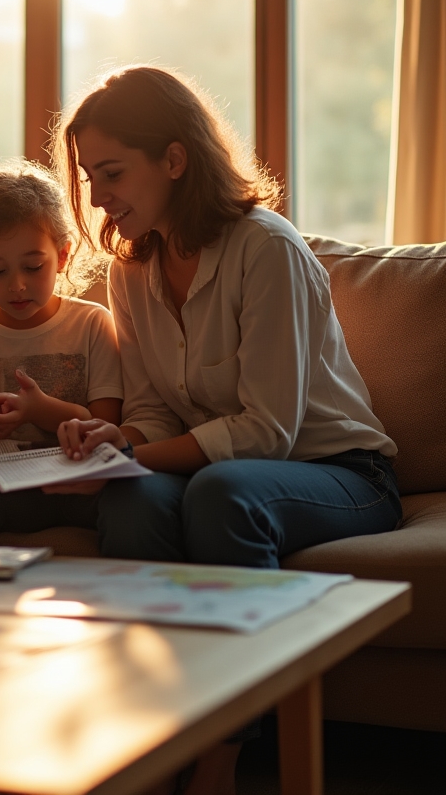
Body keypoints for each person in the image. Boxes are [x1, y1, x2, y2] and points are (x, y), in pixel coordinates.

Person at [52, 65, 401, 795]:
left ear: (174, 160)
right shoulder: (131, 269)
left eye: (111, 172)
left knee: (223, 494)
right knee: (130, 500)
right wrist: (120, 443)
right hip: (219, 468)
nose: (97, 197)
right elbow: (149, 406)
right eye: (88, 178)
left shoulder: (265, 249)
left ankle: (223, 756)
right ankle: (152, 731)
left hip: (342, 472)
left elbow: (268, 431)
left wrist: (141, 450)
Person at [0, 162, 123, 539]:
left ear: (63, 255)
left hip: (74, 479)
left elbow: (107, 426)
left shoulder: (92, 324)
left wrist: (41, 411)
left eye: (33, 266)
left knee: (127, 501)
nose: (17, 286)